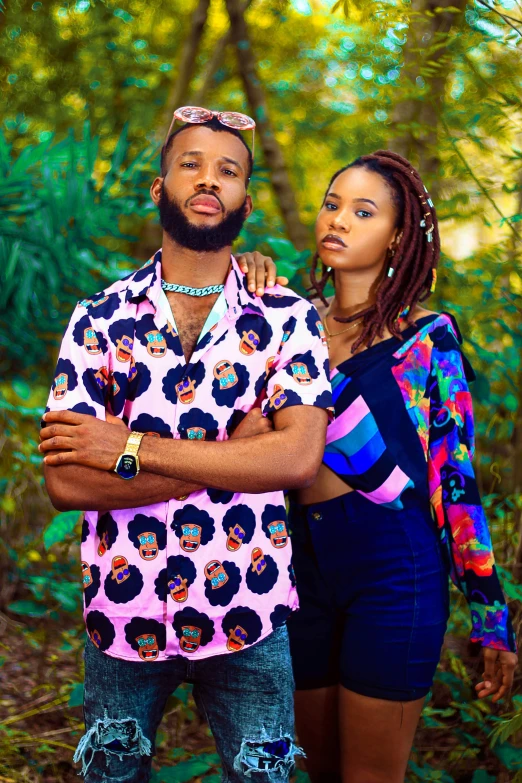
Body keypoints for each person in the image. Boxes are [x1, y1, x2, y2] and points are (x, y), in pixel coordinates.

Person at [39, 108, 333, 783]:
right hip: (123, 615)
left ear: (246, 201)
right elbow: (67, 484)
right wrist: (232, 456)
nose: (209, 179)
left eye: (228, 170)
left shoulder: (285, 318)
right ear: (158, 187)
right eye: (191, 164)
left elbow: (293, 460)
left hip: (249, 618)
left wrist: (128, 445)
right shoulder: (99, 318)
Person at [237, 150, 518, 783]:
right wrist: (243, 273)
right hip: (296, 565)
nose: (338, 220)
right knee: (320, 771)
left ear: (396, 237)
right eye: (331, 204)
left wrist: (491, 616)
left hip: (395, 567)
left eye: (363, 212)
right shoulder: (288, 322)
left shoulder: (427, 340)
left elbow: (458, 483)